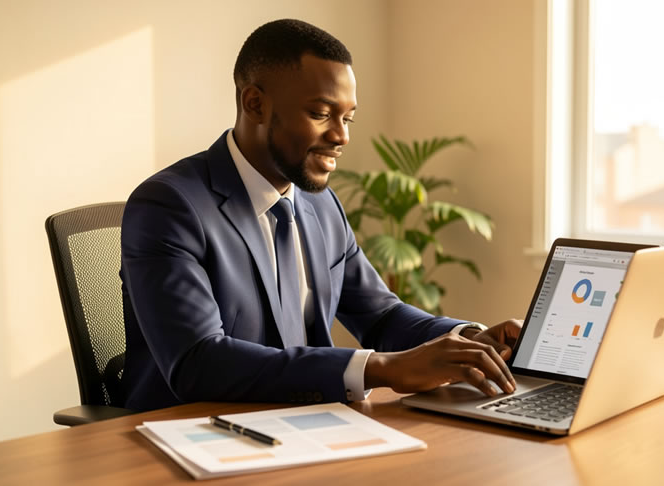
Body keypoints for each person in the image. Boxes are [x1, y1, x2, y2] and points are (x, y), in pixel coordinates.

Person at [120, 18, 521, 412]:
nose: (341, 136)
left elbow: (380, 316)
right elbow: (198, 363)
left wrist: (470, 340)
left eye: (347, 118)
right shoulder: (169, 206)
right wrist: (381, 368)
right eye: (321, 114)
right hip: (191, 432)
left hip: (304, 425)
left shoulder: (321, 205)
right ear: (255, 104)